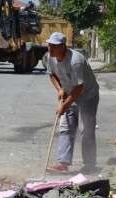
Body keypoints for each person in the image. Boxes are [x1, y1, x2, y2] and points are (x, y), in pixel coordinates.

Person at [45, 32, 99, 174]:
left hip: (87, 95)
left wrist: (64, 105)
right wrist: (60, 89)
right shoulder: (50, 57)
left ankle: (89, 164)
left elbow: (79, 88)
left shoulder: (75, 61)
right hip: (70, 93)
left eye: (54, 46)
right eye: (49, 45)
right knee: (65, 127)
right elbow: (52, 74)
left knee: (86, 129)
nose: (50, 48)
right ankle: (62, 163)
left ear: (63, 47)